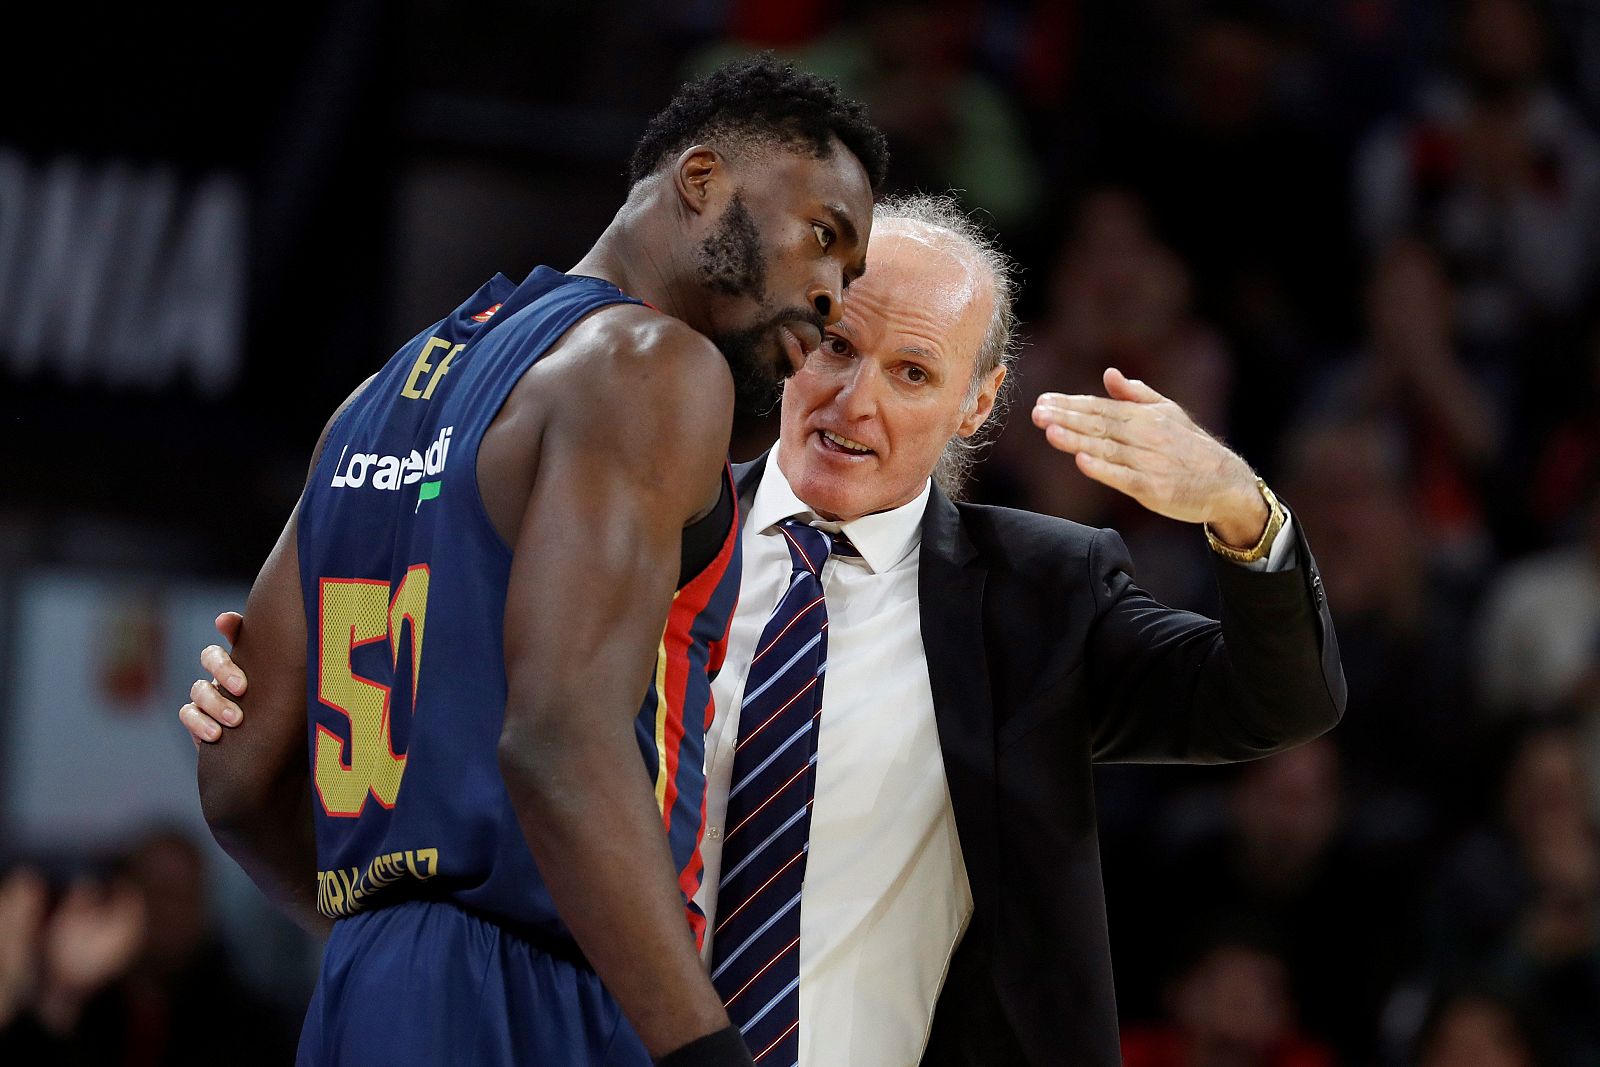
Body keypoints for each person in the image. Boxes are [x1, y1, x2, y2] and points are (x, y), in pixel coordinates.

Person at [185, 195, 1343, 1065]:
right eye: (839, 345)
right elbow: (409, 735)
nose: (857, 401)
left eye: (913, 370)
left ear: (976, 404)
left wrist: (1244, 512)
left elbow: (1271, 699)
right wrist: (260, 697)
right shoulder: (626, 528)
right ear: (794, 339)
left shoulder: (1038, 597)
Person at [188, 55, 887, 1067]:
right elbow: (560, 736)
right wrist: (701, 1052)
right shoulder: (652, 365)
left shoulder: (375, 398)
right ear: (701, 182)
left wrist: (389, 950)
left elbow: (239, 773)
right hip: (543, 983)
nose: (830, 294)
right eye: (823, 235)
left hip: (360, 997)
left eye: (849, 274)